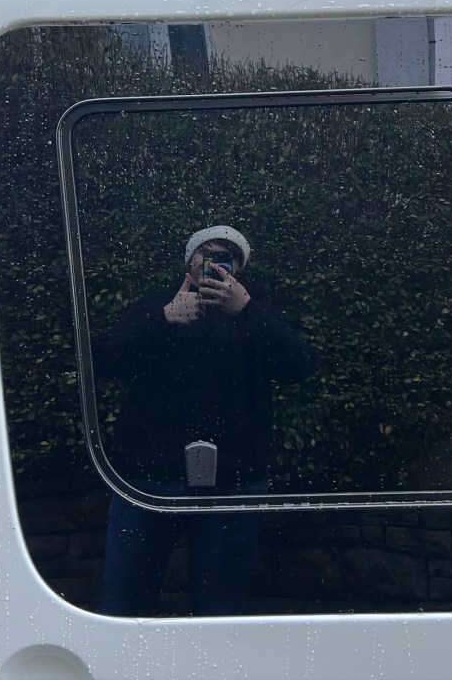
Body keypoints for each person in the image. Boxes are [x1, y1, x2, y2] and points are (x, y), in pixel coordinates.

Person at [93, 225, 311, 616]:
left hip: (233, 482)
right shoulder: (159, 304)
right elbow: (105, 361)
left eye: (227, 257)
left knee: (220, 611)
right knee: (124, 605)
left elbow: (299, 365)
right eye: (207, 253)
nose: (215, 262)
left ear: (238, 269)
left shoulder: (256, 309)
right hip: (148, 479)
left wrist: (246, 312)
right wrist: (164, 319)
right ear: (190, 260)